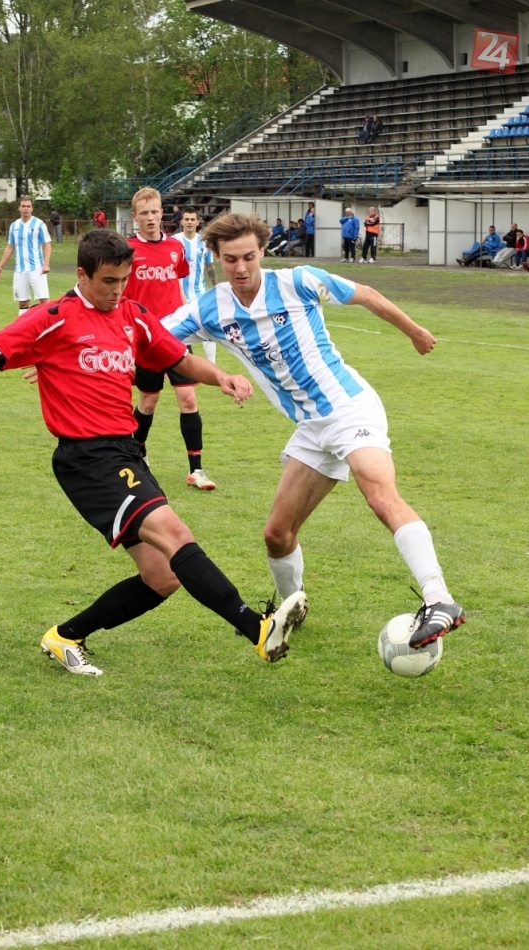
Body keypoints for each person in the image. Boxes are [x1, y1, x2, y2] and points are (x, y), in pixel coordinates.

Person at [0, 229, 308, 675]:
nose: (118, 290)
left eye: (123, 280)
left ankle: (66, 636)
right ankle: (257, 629)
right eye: (108, 281)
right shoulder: (54, 317)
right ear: (82, 274)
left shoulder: (133, 315)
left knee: (162, 576)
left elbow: (178, 359)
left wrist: (221, 377)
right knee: (175, 534)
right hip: (87, 460)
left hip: (125, 453)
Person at [163, 213, 465, 651]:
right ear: (217, 258)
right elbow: (152, 340)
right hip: (311, 428)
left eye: (249, 257)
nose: (241, 268)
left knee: (379, 494)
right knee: (277, 534)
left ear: (262, 251)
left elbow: (365, 294)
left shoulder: (298, 281)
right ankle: (292, 608)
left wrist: (415, 332)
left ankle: (439, 599)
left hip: (349, 407)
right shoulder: (209, 308)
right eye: (230, 260)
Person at [125, 187, 216, 491]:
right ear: (135, 216)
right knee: (148, 402)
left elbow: (176, 285)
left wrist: (185, 314)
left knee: (188, 398)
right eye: (144, 213)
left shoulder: (175, 248)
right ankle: (139, 454)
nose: (150, 218)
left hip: (175, 336)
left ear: (162, 212)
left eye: (155, 211)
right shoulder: (127, 250)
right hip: (145, 339)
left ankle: (197, 470)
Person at [0, 196, 51, 316]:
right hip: (19, 270)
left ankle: (50, 326)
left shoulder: (39, 224)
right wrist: (0, 266)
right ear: (19, 208)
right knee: (23, 303)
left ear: (32, 208)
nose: (26, 209)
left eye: (28, 206)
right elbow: (10, 247)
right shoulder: (14, 226)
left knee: (44, 301)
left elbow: (47, 245)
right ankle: (23, 327)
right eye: (23, 206)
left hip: (37, 269)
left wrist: (46, 265)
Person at [174, 205, 218, 363]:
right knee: (179, 331)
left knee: (208, 328)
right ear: (181, 221)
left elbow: (209, 266)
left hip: (199, 294)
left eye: (192, 219)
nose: (189, 222)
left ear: (197, 222)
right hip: (178, 295)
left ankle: (212, 364)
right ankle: (179, 365)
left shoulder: (204, 243)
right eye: (186, 219)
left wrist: (216, 286)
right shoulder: (174, 241)